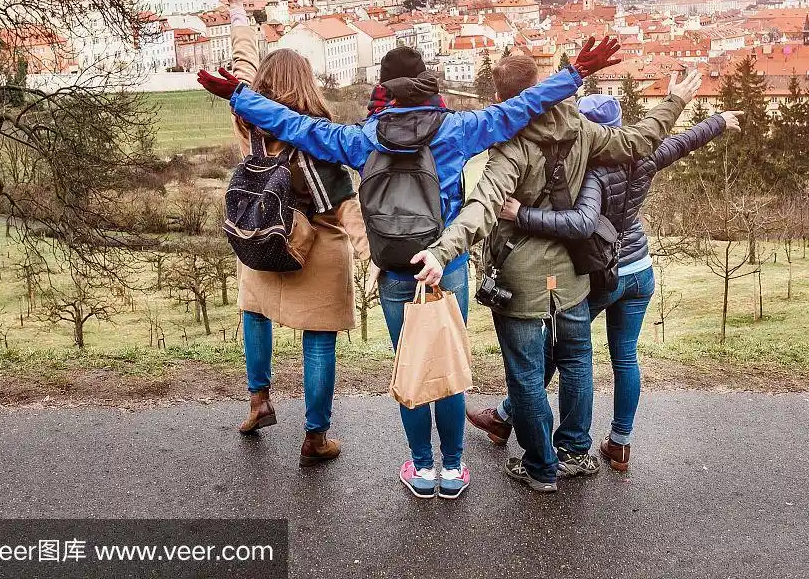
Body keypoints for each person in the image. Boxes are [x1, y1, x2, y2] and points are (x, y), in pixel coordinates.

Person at [198, 32, 623, 500]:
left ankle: (422, 468)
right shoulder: (456, 130)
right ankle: (454, 468)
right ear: (426, 85)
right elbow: (517, 109)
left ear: (383, 89)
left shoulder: (360, 139)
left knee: (413, 367)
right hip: (446, 265)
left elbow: (295, 126)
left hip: (396, 270)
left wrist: (239, 96)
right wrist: (575, 74)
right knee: (447, 364)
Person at [414, 51, 702, 493]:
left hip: (520, 278)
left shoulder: (511, 147)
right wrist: (675, 101)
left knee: (528, 375)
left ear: (501, 98)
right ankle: (573, 451)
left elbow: (482, 208)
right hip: (570, 274)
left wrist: (442, 249)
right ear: (543, 83)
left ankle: (540, 466)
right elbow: (640, 141)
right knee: (576, 361)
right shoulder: (581, 128)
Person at [467, 95, 741, 472]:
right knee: (624, 357)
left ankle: (508, 420)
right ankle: (620, 443)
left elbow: (579, 223)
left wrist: (522, 213)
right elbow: (681, 142)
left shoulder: (590, 170)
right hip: (639, 268)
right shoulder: (643, 156)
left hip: (602, 272)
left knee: (560, 354)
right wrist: (719, 121)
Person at [221, 0, 369, 468]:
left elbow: (241, 66)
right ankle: (315, 435)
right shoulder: (318, 134)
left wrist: (239, 9)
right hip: (319, 247)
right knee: (319, 341)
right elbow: (345, 206)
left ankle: (259, 401)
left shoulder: (249, 120)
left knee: (254, 314)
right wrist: (377, 258)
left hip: (264, 233)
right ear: (307, 83)